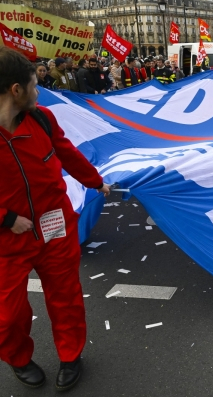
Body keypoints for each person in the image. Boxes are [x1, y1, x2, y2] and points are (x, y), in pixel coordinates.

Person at [0, 47, 111, 391]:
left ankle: (70, 355)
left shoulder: (43, 118)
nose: (38, 91)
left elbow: (68, 154)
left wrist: (96, 181)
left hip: (56, 225)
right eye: (34, 85)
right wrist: (6, 219)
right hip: (8, 239)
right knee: (5, 317)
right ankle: (18, 358)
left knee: (65, 296)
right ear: (16, 90)